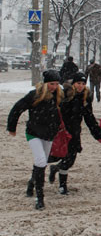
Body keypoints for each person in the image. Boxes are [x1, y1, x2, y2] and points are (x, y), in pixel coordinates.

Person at [7, 70, 64, 210]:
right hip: (33, 133)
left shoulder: (58, 96)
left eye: (57, 84)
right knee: (40, 161)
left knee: (42, 163)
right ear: (45, 83)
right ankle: (40, 197)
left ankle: (32, 182)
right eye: (51, 84)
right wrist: (12, 127)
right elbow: (17, 109)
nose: (54, 86)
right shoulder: (35, 95)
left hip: (49, 134)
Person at [48, 72, 101, 194]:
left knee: (70, 160)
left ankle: (62, 185)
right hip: (61, 132)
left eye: (83, 83)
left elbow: (89, 116)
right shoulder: (64, 95)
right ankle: (36, 177)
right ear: (74, 83)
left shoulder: (85, 97)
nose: (81, 86)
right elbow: (54, 112)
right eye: (78, 83)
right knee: (52, 156)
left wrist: (97, 131)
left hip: (75, 132)